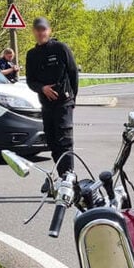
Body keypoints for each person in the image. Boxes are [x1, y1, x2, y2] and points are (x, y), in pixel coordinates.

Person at [25, 16, 79, 176]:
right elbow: (30, 81)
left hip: (64, 103)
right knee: (52, 142)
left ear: (49, 31)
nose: (41, 33)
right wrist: (42, 88)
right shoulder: (32, 54)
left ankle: (68, 178)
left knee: (65, 142)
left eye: (44, 29)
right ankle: (62, 176)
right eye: (38, 30)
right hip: (46, 105)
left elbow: (73, 73)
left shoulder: (60, 48)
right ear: (34, 32)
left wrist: (72, 99)